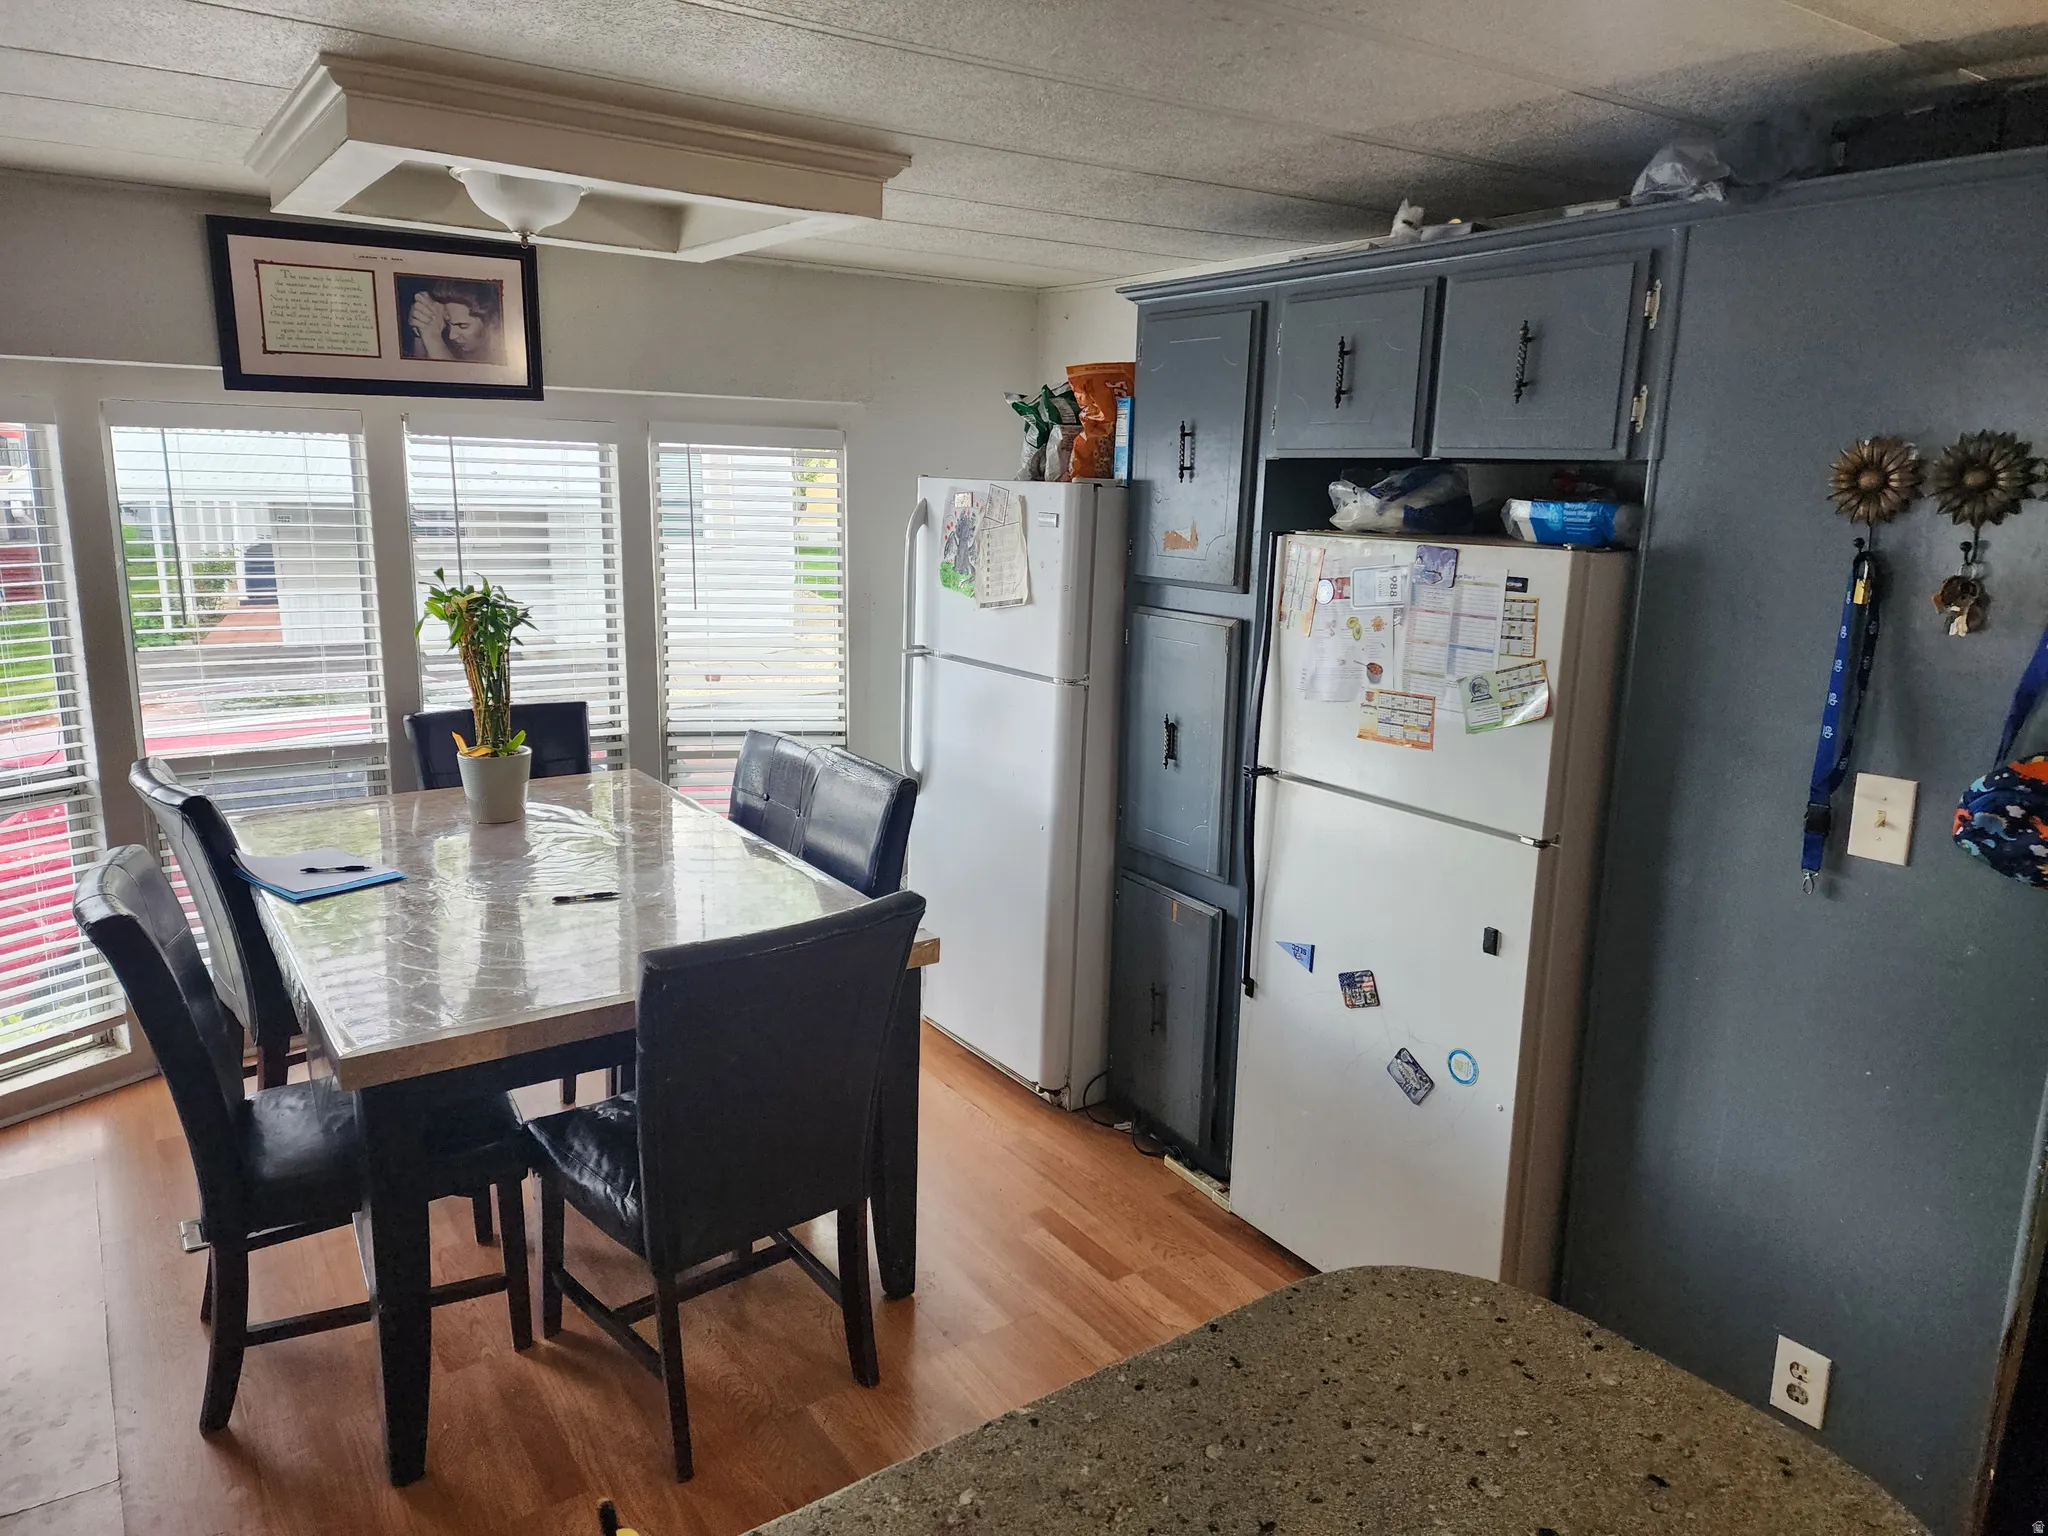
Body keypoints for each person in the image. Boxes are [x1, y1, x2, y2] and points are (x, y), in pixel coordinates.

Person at [401, 278, 505, 363]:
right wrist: (420, 329)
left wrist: (433, 336)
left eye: (462, 326)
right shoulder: (449, 338)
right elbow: (420, 371)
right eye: (448, 323)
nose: (452, 336)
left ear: (493, 321)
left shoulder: (508, 354)